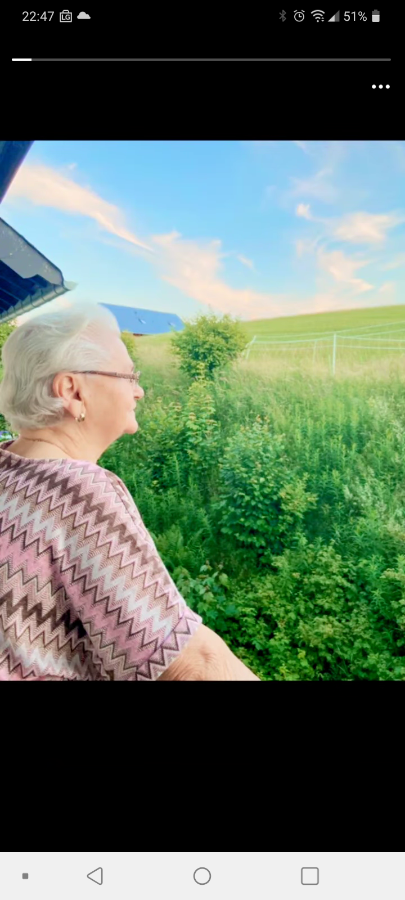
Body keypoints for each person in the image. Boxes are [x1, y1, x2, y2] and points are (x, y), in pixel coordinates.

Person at [0, 302, 260, 681]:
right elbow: (189, 664)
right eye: (129, 375)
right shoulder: (79, 493)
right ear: (73, 391)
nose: (139, 391)